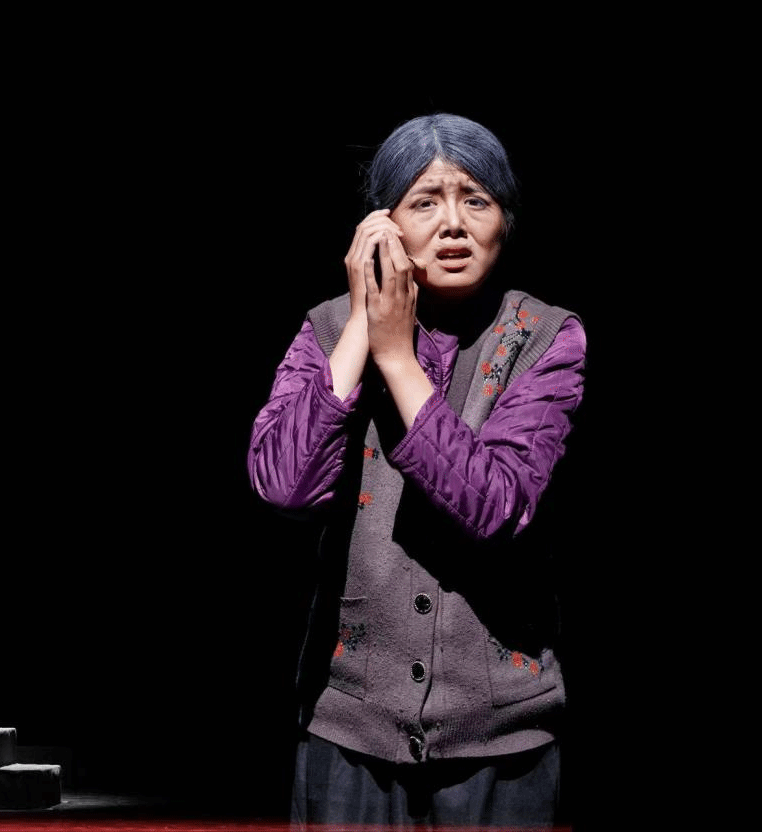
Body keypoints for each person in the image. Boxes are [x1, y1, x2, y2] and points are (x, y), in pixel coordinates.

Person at [248, 114, 585, 828]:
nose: (453, 224)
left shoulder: (545, 337)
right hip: (349, 727)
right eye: (425, 201)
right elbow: (283, 482)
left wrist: (399, 361)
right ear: (384, 226)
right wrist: (366, 325)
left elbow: (497, 503)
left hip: (501, 736)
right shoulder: (327, 330)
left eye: (476, 200)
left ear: (505, 220)